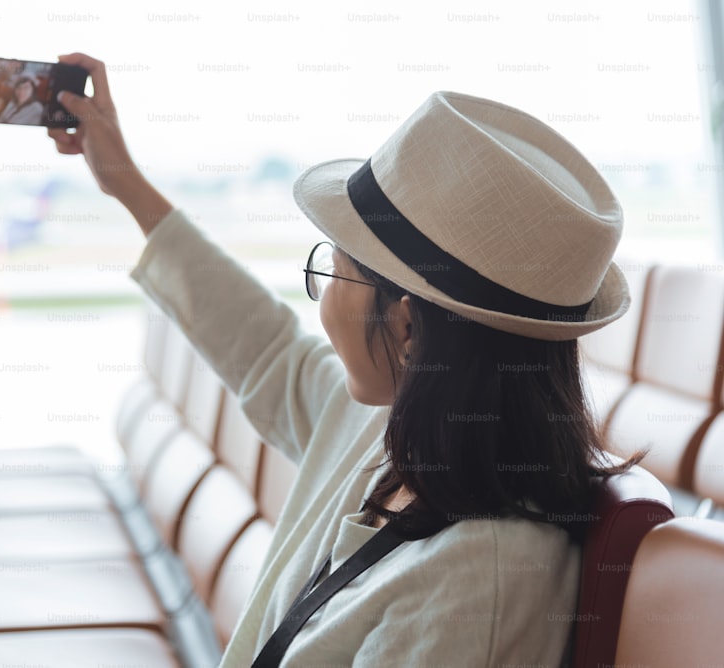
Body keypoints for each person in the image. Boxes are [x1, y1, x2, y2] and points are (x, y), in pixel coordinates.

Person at [49, 52, 642, 667]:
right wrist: (125, 182)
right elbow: (267, 352)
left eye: (333, 270)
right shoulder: (405, 443)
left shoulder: (470, 590)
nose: (324, 302)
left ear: (408, 324)